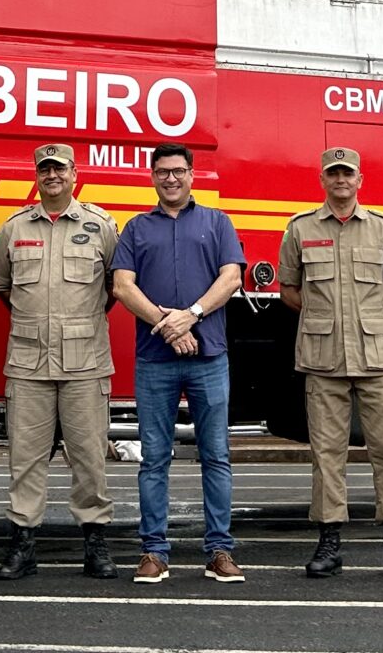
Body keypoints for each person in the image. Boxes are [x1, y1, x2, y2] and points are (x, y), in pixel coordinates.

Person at [276, 146, 383, 580]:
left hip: (374, 357)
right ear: (323, 180)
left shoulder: (381, 228)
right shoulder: (301, 229)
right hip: (323, 359)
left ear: (360, 181)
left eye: (348, 174)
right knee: (327, 455)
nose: (340, 181)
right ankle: (329, 543)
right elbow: (288, 289)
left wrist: (374, 314)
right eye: (333, 174)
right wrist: (325, 319)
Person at [111, 143, 245, 585]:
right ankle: (154, 552)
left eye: (178, 171)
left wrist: (192, 314)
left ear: (192, 174)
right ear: (152, 176)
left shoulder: (217, 222)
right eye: (163, 172)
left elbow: (231, 278)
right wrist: (168, 323)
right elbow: (122, 287)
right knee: (154, 459)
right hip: (156, 361)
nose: (171, 178)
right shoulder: (135, 228)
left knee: (216, 456)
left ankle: (220, 551)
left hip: (209, 357)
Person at [0, 142, 119, 582]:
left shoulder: (100, 227)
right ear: (36, 176)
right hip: (27, 363)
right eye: (44, 170)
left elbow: (113, 291)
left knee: (89, 458)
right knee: (25, 459)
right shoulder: (14, 228)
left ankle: (95, 544)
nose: (52, 176)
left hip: (85, 363)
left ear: (74, 174)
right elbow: (4, 288)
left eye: (59, 169)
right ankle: (23, 546)